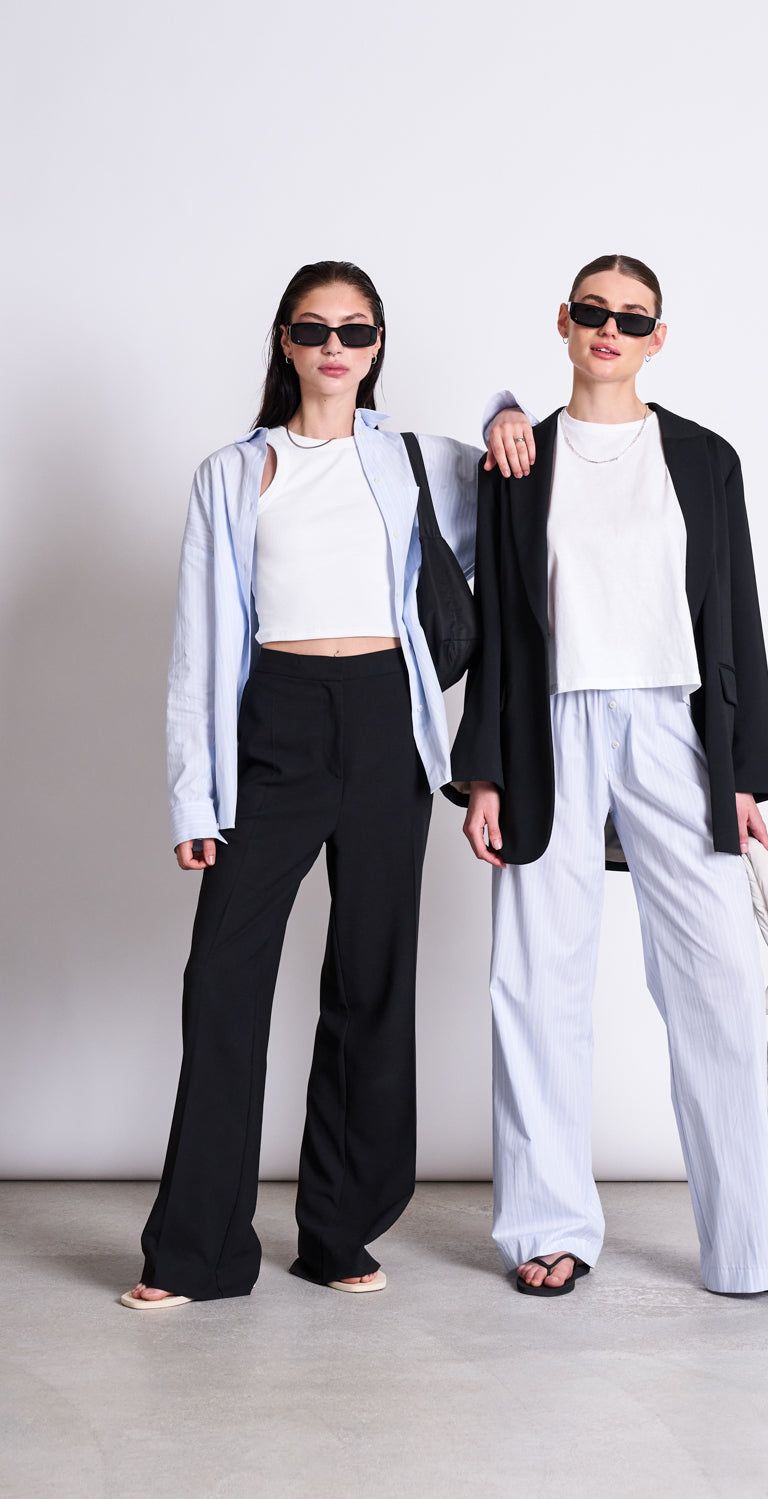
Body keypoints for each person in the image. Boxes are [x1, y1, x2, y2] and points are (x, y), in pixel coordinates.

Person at [122, 260, 531, 1309]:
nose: (334, 348)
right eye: (314, 330)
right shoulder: (234, 473)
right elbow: (196, 647)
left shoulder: (408, 459)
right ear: (286, 343)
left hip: (389, 724)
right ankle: (196, 1253)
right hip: (278, 726)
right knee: (222, 980)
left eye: (354, 331)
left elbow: (507, 483)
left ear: (377, 345)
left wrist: (506, 410)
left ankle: (337, 1231)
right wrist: (192, 795)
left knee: (370, 979)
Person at [451, 254, 768, 1301]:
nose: (609, 330)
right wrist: (485, 769)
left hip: (677, 726)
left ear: (657, 337)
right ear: (563, 321)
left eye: (631, 318)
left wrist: (746, 776)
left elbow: (738, 621)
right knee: (536, 980)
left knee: (716, 980)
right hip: (549, 728)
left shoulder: (705, 459)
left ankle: (749, 1246)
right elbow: (498, 622)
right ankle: (545, 1226)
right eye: (592, 312)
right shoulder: (517, 459)